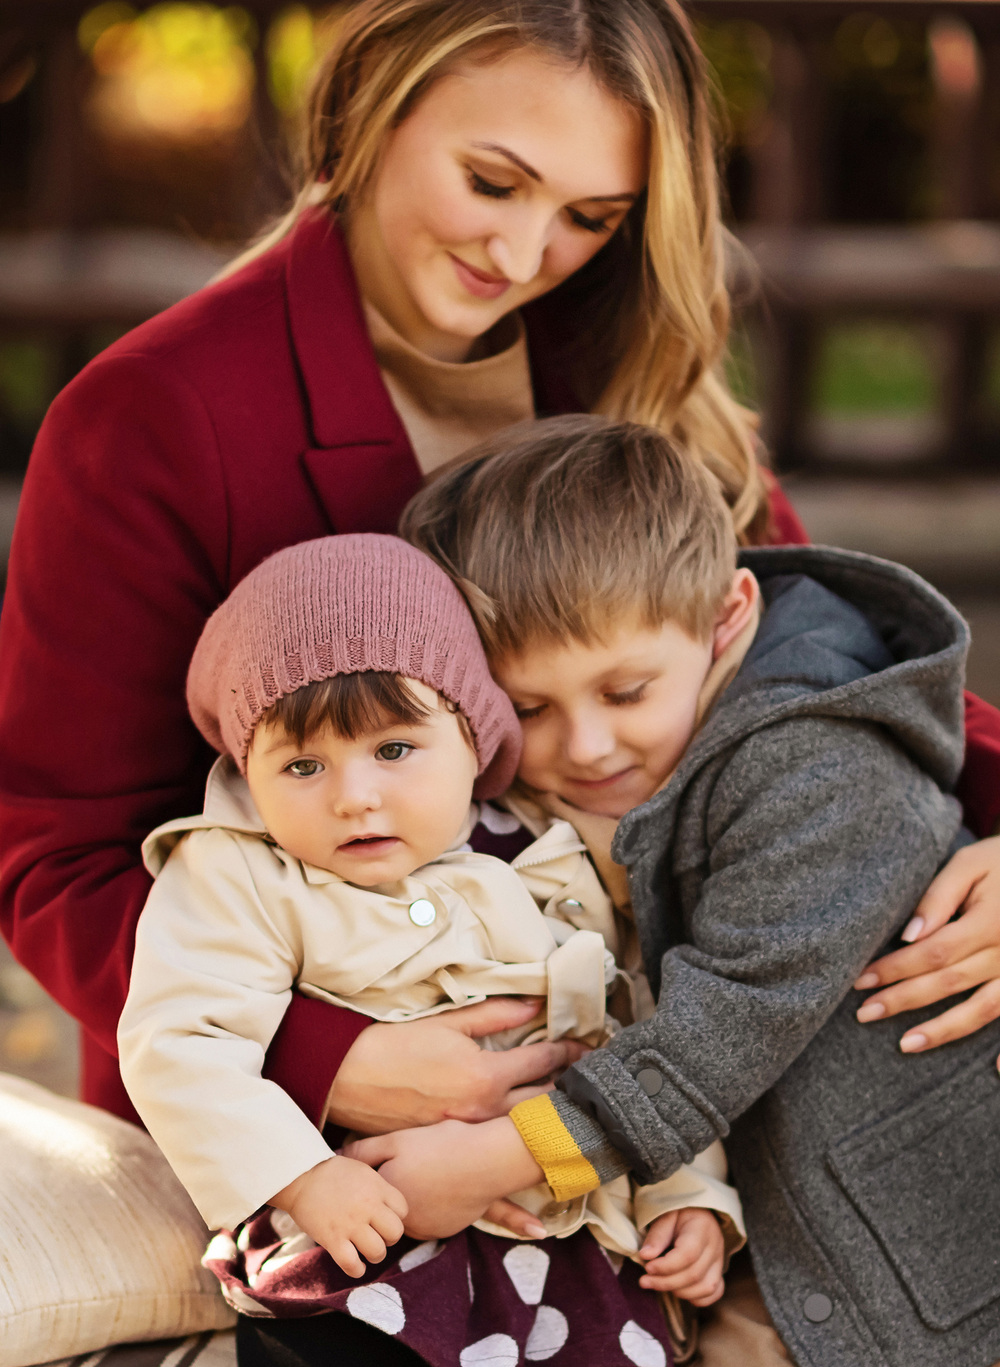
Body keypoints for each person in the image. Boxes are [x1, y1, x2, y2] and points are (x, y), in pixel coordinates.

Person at [0, 0, 997, 1162]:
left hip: (656, 1096)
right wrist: (327, 1056)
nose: (524, 257)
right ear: (374, 99)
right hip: (301, 1149)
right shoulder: (155, 417)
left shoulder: (628, 356)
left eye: (589, 215)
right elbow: (52, 857)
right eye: (491, 182)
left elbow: (807, 647)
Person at [348, 413, 1000, 1367]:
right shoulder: (566, 795)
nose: (586, 746)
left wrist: (497, 1159)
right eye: (528, 708)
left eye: (624, 691)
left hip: (965, 1203)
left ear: (724, 615)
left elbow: (722, 1025)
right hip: (790, 1253)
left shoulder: (819, 767)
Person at [118, 531, 743, 1367]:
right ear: (247, 768)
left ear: (476, 735)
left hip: (553, 1234)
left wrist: (686, 1194)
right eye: (302, 766)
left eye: (395, 748)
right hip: (349, 1228)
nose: (355, 797)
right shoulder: (240, 869)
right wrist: (301, 1175)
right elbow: (179, 1042)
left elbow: (640, 1033)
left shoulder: (544, 853)